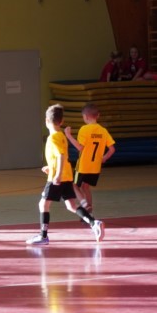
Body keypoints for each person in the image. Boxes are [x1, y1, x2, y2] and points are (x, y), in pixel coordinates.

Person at [26, 104, 104, 245]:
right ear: (61, 122)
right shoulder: (61, 136)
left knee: (43, 205)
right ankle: (94, 223)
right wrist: (51, 167)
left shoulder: (53, 138)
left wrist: (56, 174)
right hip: (67, 176)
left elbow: (61, 156)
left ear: (46, 121)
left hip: (58, 177)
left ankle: (43, 236)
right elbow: (59, 157)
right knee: (71, 205)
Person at [64, 103, 115, 211]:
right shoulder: (103, 131)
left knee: (74, 185)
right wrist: (104, 158)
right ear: (98, 115)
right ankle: (89, 211)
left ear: (85, 116)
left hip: (83, 166)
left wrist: (68, 136)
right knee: (85, 187)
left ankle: (84, 205)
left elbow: (80, 147)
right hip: (95, 167)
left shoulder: (84, 129)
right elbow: (112, 149)